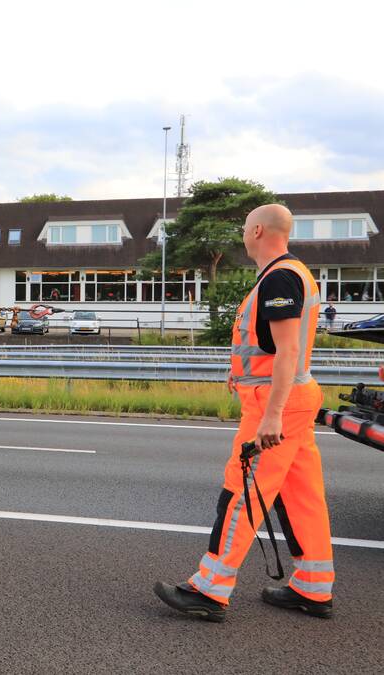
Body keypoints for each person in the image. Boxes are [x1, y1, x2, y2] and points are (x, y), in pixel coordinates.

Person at [154, 204, 334, 622]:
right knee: (302, 496)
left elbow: (288, 351)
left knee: (242, 493)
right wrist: (241, 373)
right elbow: (270, 348)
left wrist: (271, 414)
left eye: (242, 228)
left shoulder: (279, 278)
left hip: (278, 406)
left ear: (256, 230)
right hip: (290, 399)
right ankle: (313, 586)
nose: (241, 234)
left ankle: (210, 588)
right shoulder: (291, 274)